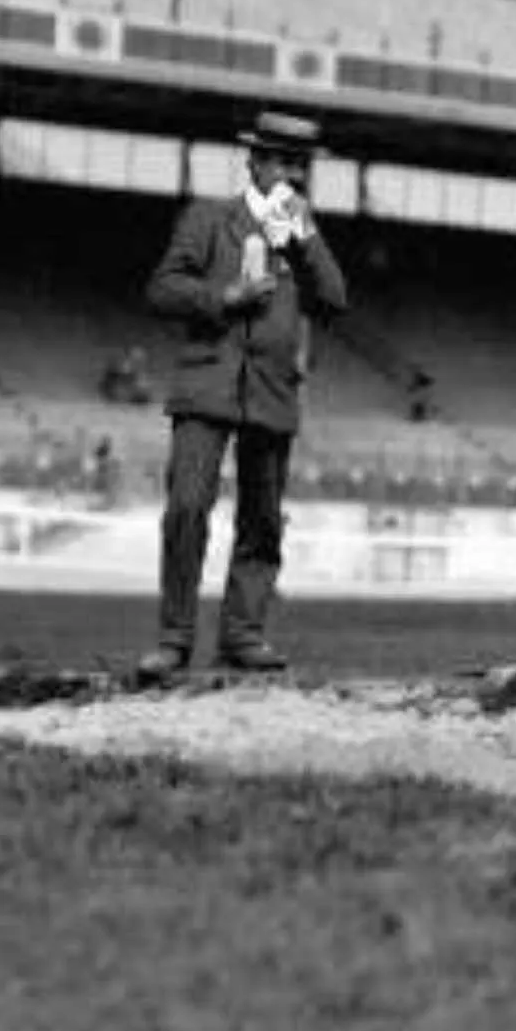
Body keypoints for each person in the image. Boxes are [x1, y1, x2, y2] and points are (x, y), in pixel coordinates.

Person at [136, 110, 349, 682]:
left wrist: (303, 239)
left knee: (262, 521)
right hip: (207, 381)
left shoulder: (303, 231)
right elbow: (162, 288)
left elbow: (333, 300)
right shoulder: (208, 218)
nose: (288, 174)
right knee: (186, 507)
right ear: (253, 161)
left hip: (272, 391)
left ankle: (243, 635)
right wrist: (225, 295)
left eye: (296, 165)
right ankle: (175, 638)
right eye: (278, 160)